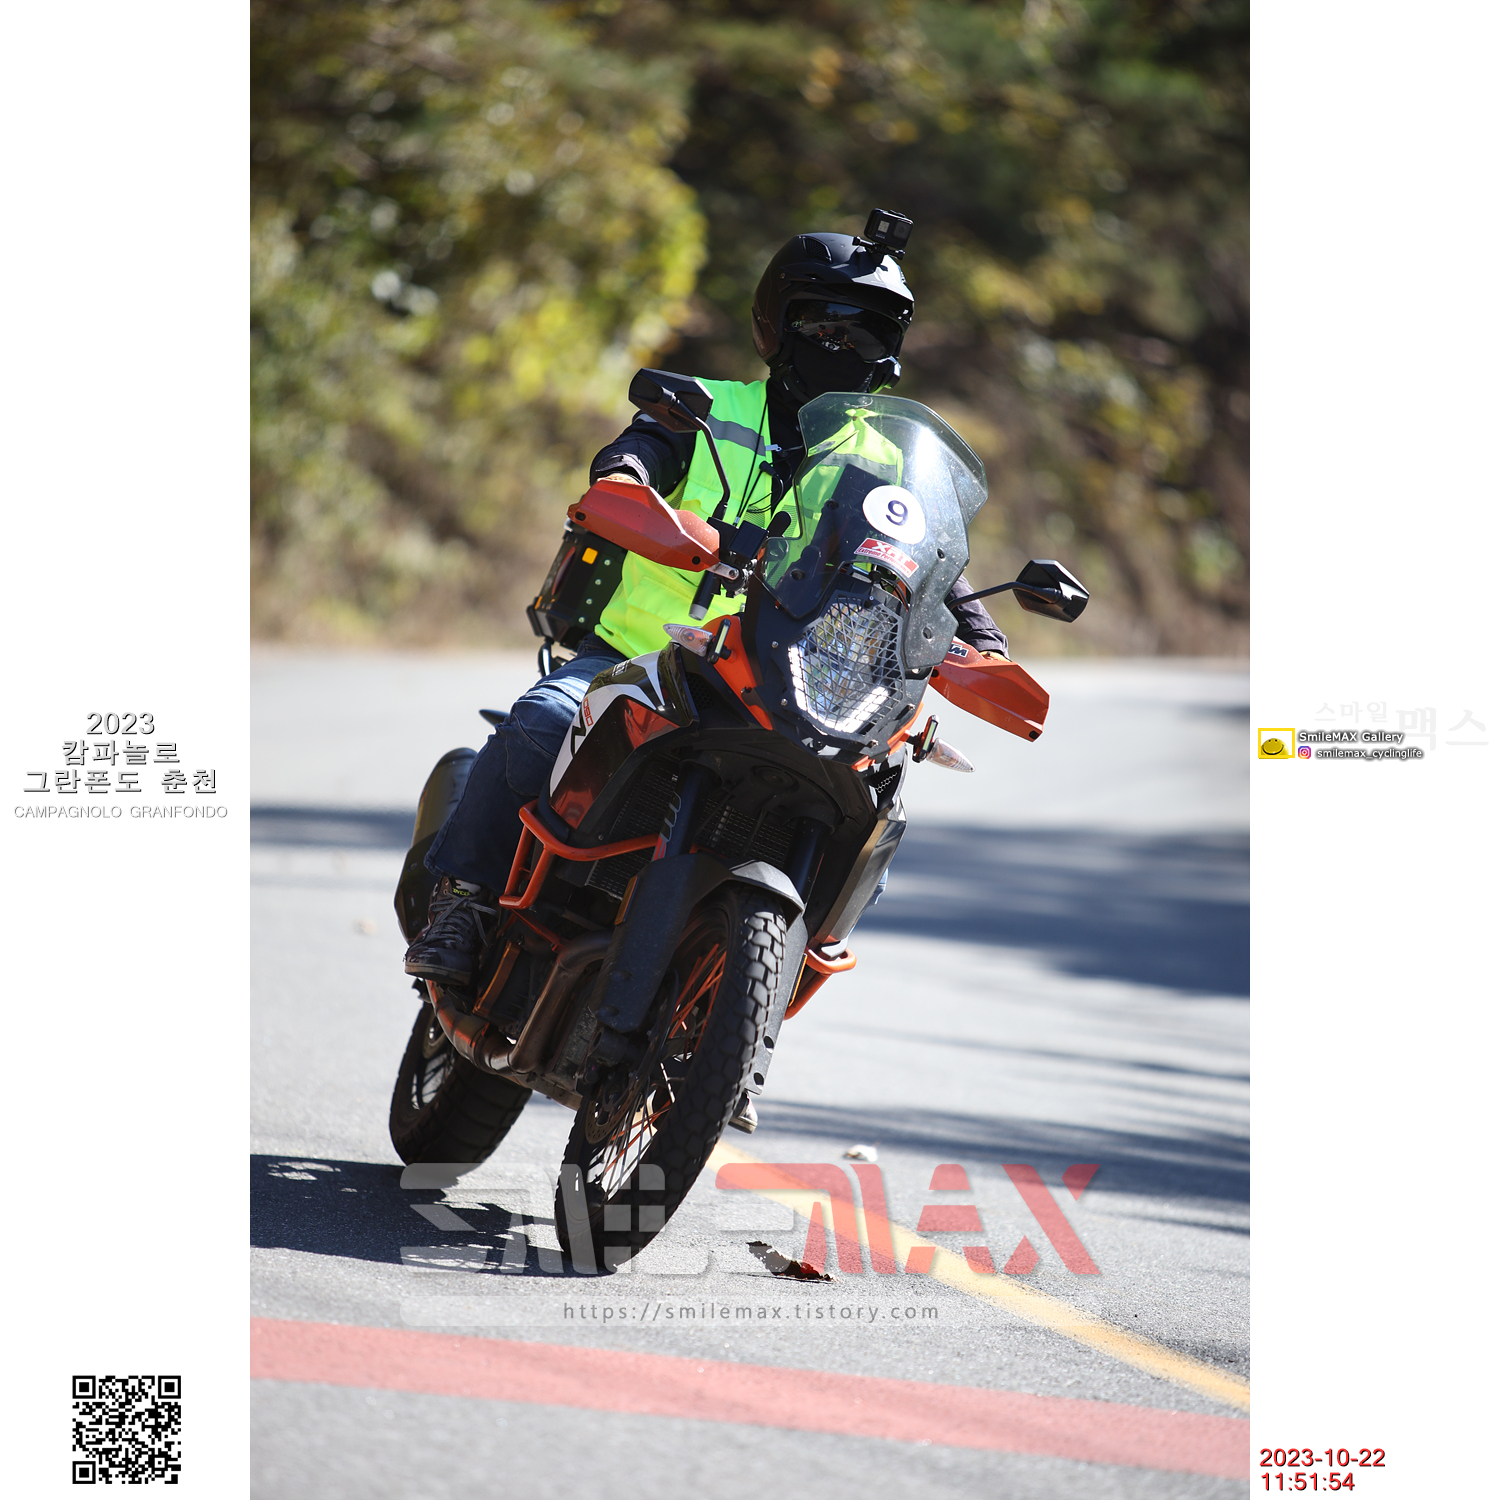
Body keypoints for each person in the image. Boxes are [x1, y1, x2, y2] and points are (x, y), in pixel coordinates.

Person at [404, 225, 1009, 989]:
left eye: (869, 334)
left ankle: (749, 992)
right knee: (545, 720)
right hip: (640, 657)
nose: (845, 347)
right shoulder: (704, 409)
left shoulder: (884, 464)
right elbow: (634, 457)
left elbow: (934, 567)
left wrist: (984, 645)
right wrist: (625, 482)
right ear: (774, 327)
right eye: (824, 326)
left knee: (874, 817)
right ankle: (463, 900)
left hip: (793, 684)